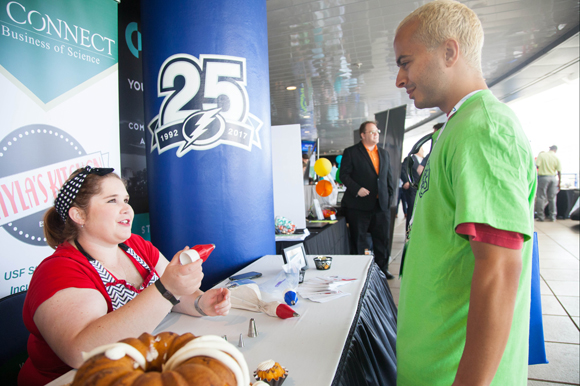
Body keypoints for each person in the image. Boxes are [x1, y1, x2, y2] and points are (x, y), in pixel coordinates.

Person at [393, 1, 536, 385]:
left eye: (405, 62)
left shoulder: (483, 128)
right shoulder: (459, 128)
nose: (399, 79)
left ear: (450, 52)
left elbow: (501, 269)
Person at [19, 166, 231, 386]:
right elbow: (82, 353)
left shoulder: (135, 245)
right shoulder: (58, 271)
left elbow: (176, 295)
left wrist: (199, 302)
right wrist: (166, 289)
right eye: (112, 201)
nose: (127, 209)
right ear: (79, 214)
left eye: (126, 200)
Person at [339, 121, 395, 279]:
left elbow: (388, 178)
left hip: (381, 205)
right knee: (359, 240)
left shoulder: (383, 153)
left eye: (377, 131)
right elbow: (344, 175)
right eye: (371, 132)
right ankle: (359, 271)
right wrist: (357, 189)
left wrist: (389, 196)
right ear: (363, 135)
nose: (376, 134)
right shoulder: (351, 152)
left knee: (382, 240)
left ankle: (382, 269)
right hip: (358, 206)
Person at [534, 145, 562, 221]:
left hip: (543, 178)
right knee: (552, 198)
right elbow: (559, 171)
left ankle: (541, 217)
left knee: (541, 197)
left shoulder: (542, 155)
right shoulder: (556, 157)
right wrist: (559, 183)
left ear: (550, 149)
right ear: (555, 150)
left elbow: (536, 166)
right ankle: (553, 217)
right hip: (553, 178)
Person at [400, 146, 424, 231]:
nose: (423, 151)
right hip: (412, 190)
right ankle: (408, 231)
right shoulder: (410, 159)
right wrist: (406, 181)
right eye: (422, 149)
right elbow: (402, 170)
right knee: (412, 209)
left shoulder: (425, 161)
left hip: (422, 190)